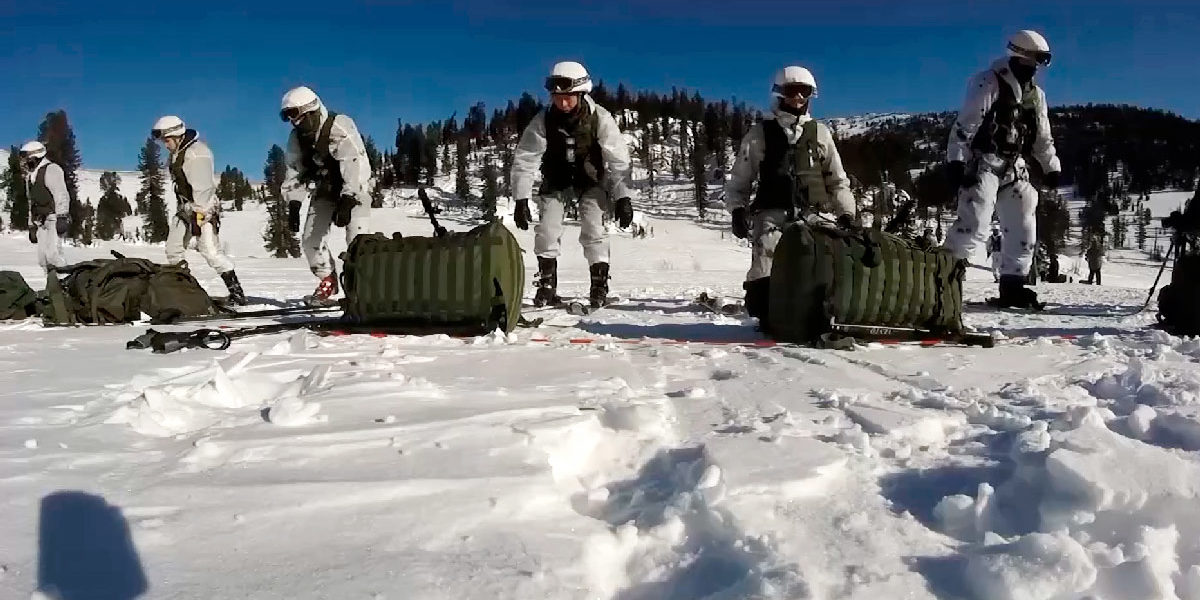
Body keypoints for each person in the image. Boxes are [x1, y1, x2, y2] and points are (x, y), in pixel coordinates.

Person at [724, 65, 856, 320]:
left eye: (803, 91)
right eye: (792, 90)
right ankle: (765, 308)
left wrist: (846, 213)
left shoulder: (820, 133)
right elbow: (741, 177)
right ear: (780, 93)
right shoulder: (759, 133)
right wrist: (737, 209)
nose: (798, 97)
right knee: (764, 270)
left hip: (813, 214)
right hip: (772, 213)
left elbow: (838, 180)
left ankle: (819, 312)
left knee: (826, 267)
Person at [943, 30, 1061, 309]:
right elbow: (967, 124)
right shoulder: (988, 82)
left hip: (1014, 165)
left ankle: (1013, 285)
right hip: (985, 161)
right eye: (1036, 60)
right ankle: (944, 282)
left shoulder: (1036, 96)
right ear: (1022, 55)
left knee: (1023, 224)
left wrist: (1051, 165)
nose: (1037, 68)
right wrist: (956, 160)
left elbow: (1043, 135)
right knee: (975, 222)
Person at [511, 61, 633, 308]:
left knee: (594, 230)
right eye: (557, 97)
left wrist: (623, 197)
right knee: (547, 230)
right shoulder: (543, 120)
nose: (562, 103)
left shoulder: (600, 117)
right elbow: (526, 158)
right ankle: (547, 283)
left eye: (568, 97)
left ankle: (599, 285)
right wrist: (521, 197)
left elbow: (618, 160)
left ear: (581, 92)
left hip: (591, 181)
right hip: (556, 181)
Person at [279, 86, 373, 305]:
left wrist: (349, 197)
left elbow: (355, 162)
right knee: (311, 240)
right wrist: (294, 203)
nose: (293, 122)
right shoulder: (297, 138)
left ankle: (361, 291)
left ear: (308, 110)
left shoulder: (339, 124)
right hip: (325, 190)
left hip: (355, 191)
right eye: (288, 116)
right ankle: (328, 281)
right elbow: (295, 170)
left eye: (294, 114)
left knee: (358, 242)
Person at [151, 116, 246, 305]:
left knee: (210, 251)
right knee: (173, 249)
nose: (166, 145)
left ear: (177, 136)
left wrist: (199, 216)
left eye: (167, 141)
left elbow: (204, 189)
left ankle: (237, 293)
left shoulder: (197, 154)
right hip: (185, 209)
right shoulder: (178, 152)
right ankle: (185, 290)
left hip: (204, 209)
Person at [19, 141, 69, 271]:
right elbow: (32, 201)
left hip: (53, 218)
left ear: (36, 156)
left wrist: (62, 216)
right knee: (42, 259)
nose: (25, 162)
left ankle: (63, 284)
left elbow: (61, 193)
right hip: (40, 221)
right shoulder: (30, 176)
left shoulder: (51, 169)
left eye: (27, 158)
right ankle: (51, 286)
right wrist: (31, 225)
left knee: (54, 255)